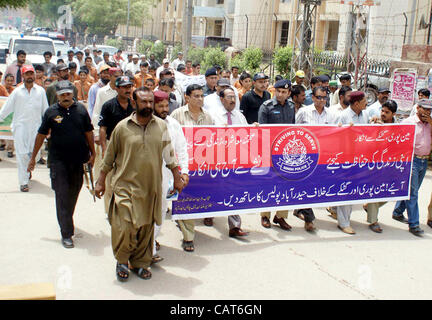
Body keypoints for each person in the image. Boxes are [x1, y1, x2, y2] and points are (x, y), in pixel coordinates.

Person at [95, 87, 184, 282]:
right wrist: (101, 181)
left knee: (146, 227)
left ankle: (140, 263)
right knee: (125, 226)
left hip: (150, 186)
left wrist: (177, 176)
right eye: (143, 102)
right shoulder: (122, 127)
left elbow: (169, 156)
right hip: (125, 186)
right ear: (134, 103)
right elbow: (109, 158)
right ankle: (122, 260)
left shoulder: (161, 126)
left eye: (150, 102)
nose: (148, 106)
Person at [28, 80, 95, 248]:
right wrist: (33, 158)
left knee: (73, 192)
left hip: (78, 160)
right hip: (58, 161)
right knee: (62, 195)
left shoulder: (81, 110)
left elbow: (88, 132)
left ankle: (67, 221)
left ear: (73, 93)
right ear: (57, 95)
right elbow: (41, 135)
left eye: (68, 94)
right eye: (62, 94)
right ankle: (66, 233)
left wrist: (93, 153)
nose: (66, 97)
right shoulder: (51, 112)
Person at [258, 79, 308, 231]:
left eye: (284, 92)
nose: (281, 94)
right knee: (269, 185)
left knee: (286, 184)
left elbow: (292, 129)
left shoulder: (292, 106)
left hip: (286, 153)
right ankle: (265, 216)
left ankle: (280, 216)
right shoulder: (266, 107)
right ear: (274, 91)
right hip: (269, 151)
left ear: (288, 94)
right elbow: (261, 133)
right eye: (278, 91)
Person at [171, 84, 214, 252]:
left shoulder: (208, 117)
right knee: (184, 197)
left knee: (198, 195)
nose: (200, 99)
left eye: (202, 96)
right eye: (196, 96)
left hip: (202, 166)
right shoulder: (176, 115)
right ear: (187, 98)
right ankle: (188, 236)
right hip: (183, 164)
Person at [152, 90, 189, 260]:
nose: (164, 109)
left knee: (160, 210)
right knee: (145, 211)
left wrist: (184, 172)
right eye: (160, 106)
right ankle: (147, 248)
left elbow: (181, 149)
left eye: (166, 105)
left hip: (167, 175)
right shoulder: (146, 124)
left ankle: (150, 242)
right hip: (147, 174)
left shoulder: (173, 124)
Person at [0, 65, 49, 192]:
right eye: (27, 74)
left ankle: (28, 168)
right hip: (20, 127)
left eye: (31, 74)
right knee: (22, 154)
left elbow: (46, 111)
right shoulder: (17, 92)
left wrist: (49, 127)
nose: (30, 76)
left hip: (37, 129)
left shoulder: (40, 91)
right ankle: (23, 182)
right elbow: (6, 110)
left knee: (35, 154)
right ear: (22, 76)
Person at [210, 87, 250, 237]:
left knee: (234, 190)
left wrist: (254, 128)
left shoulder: (240, 117)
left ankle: (234, 226)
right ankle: (209, 213)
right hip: (217, 159)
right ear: (221, 99)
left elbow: (248, 135)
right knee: (216, 188)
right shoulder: (213, 116)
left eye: (234, 97)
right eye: (229, 97)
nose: (233, 100)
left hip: (236, 160)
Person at [392, 99, 432, 237]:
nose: (428, 112)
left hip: (424, 161)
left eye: (430, 110)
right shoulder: (409, 122)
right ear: (418, 108)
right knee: (413, 192)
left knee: (413, 189)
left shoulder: (430, 124)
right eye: (425, 109)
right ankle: (414, 224)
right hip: (412, 160)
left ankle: (398, 211)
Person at [98, 76, 135, 215]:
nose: (128, 90)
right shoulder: (108, 105)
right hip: (112, 146)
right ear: (117, 88)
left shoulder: (134, 105)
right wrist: (104, 149)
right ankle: (110, 211)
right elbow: (103, 128)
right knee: (110, 181)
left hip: (131, 148)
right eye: (124, 87)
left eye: (129, 87)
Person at [334, 91, 370, 235]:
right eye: (364, 100)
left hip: (360, 158)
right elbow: (334, 136)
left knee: (353, 189)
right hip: (346, 158)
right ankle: (344, 223)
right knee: (347, 190)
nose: (366, 103)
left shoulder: (365, 115)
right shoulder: (343, 116)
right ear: (356, 103)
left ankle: (338, 211)